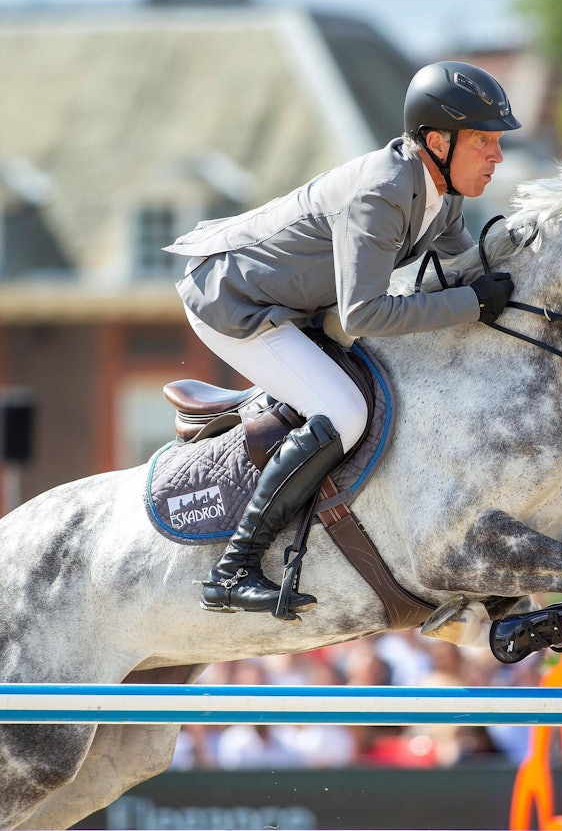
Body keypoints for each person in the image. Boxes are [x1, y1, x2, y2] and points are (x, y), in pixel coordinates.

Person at [164, 61, 521, 616]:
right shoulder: (381, 192)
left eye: (497, 141)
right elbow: (365, 313)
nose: (497, 155)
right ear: (436, 141)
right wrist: (472, 304)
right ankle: (233, 569)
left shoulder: (441, 191)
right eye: (484, 141)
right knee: (345, 412)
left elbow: (464, 264)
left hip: (294, 304)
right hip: (232, 302)